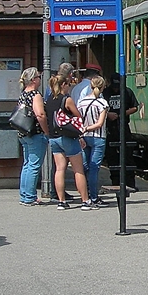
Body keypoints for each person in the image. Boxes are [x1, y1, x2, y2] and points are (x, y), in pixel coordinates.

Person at [47, 73, 91, 210]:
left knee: (59, 169)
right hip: (68, 137)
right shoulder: (67, 100)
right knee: (78, 170)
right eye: (68, 84)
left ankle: (61, 201)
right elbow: (78, 117)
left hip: (54, 138)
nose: (69, 86)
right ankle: (85, 201)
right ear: (63, 85)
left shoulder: (49, 99)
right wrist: (80, 135)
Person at [16, 67, 50, 206]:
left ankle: (24, 195)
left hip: (23, 132)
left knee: (27, 164)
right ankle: (30, 197)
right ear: (34, 80)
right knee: (34, 165)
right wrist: (47, 131)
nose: (40, 79)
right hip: (35, 133)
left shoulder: (23, 94)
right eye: (39, 77)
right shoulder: (35, 95)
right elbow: (40, 115)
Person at [103, 73, 139, 194]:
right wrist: (108, 115)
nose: (116, 89)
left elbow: (135, 107)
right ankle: (115, 182)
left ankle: (130, 183)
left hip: (123, 126)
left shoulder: (127, 92)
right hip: (110, 127)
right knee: (112, 156)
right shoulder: (106, 92)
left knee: (127, 155)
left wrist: (123, 113)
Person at [78, 74, 110, 207]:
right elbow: (100, 123)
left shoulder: (82, 102)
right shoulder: (102, 103)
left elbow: (78, 121)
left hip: (84, 138)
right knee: (94, 168)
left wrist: (82, 132)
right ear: (102, 87)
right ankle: (94, 197)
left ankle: (85, 196)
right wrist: (88, 128)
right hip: (98, 138)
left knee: (84, 167)